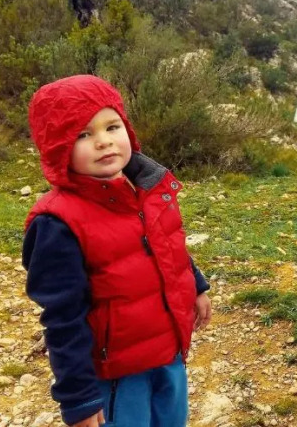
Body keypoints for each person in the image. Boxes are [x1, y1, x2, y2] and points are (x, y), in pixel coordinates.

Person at [22, 75, 212, 426]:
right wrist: (79, 398)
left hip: (168, 352)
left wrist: (196, 284)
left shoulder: (147, 189)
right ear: (57, 146)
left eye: (112, 127)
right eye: (83, 134)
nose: (103, 141)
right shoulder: (58, 223)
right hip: (117, 374)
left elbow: (167, 245)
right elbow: (63, 318)